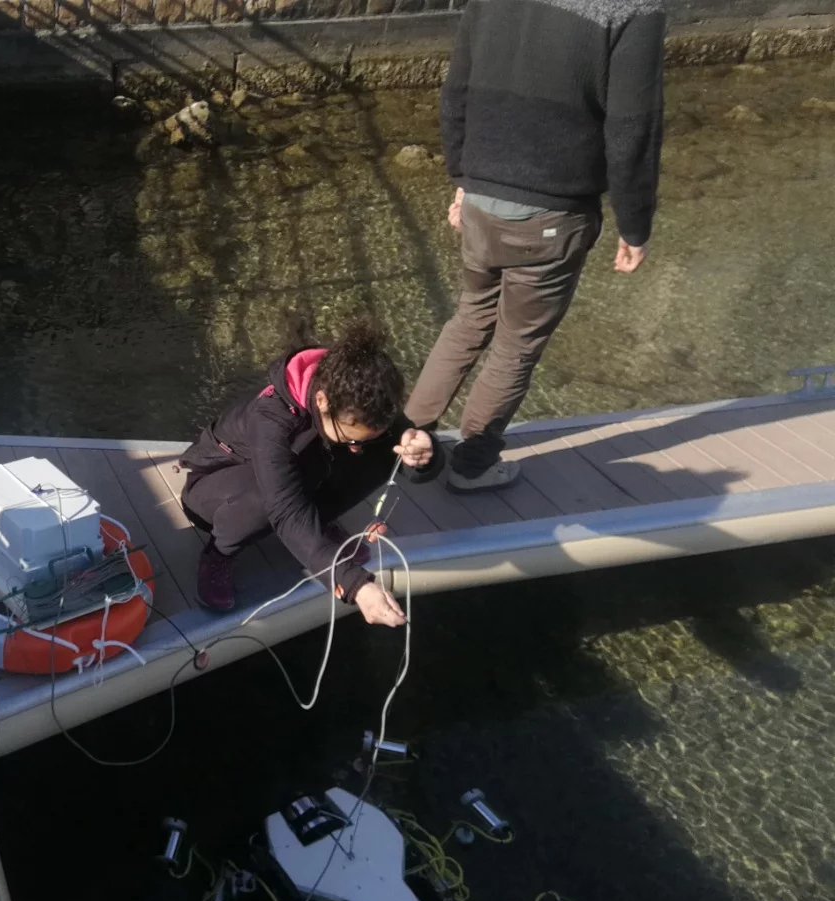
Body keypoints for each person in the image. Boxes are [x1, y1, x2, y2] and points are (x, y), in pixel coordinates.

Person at [403, 0, 666, 492]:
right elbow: (633, 126)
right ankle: (472, 467)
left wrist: (463, 177)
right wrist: (634, 224)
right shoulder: (635, 6)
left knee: (469, 318)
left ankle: (399, 446)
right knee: (515, 349)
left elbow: (457, 89)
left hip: (481, 195)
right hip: (550, 214)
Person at [180, 320, 442, 621]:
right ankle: (219, 554)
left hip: (299, 472)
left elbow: (404, 451)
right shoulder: (271, 419)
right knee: (265, 499)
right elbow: (286, 510)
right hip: (215, 486)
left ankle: (319, 525)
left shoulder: (363, 396)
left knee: (387, 450)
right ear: (322, 400)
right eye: (351, 437)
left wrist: (425, 452)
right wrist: (354, 583)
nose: (356, 447)